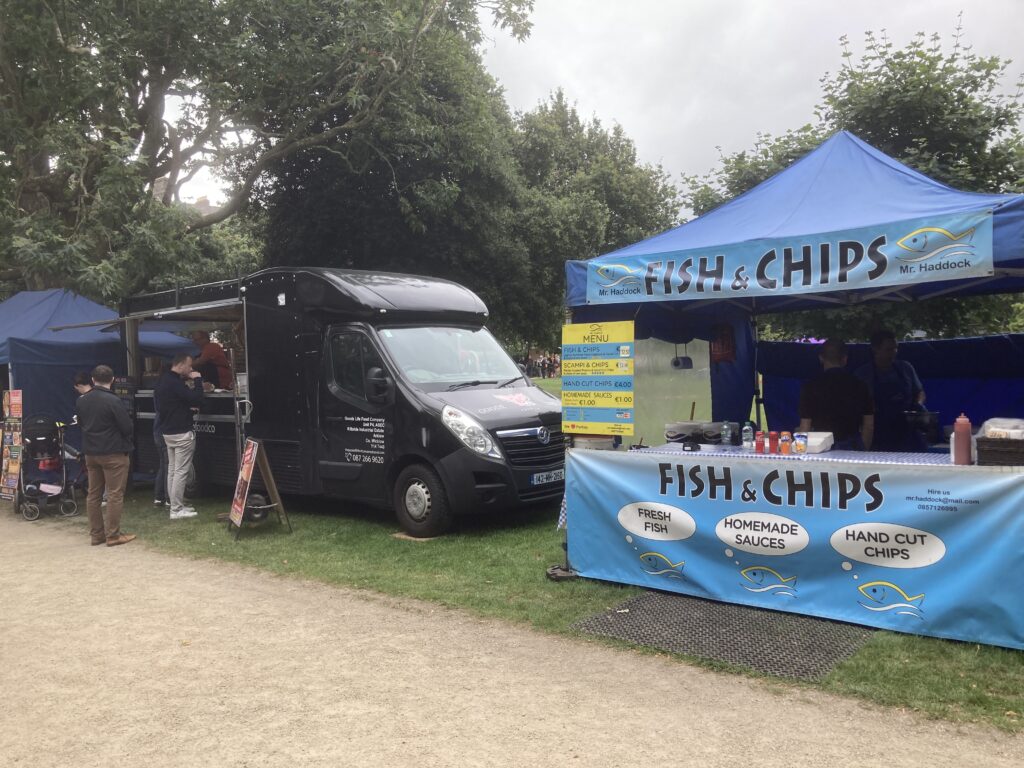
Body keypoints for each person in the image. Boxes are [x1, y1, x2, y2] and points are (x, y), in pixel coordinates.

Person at [75, 365, 135, 547]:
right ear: (113, 379)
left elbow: (82, 424)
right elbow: (127, 427)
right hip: (113, 452)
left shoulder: (82, 400)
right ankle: (113, 535)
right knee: (115, 494)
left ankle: (96, 535)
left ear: (93, 380)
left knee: (93, 495)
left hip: (91, 453)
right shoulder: (113, 401)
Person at [855, 329, 926, 452]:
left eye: (895, 348)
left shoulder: (906, 368)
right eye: (888, 349)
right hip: (879, 435)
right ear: (875, 349)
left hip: (907, 434)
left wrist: (918, 405)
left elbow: (920, 392)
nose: (893, 353)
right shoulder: (863, 374)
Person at [798, 338, 874, 451]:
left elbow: (805, 425)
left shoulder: (811, 386)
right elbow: (868, 425)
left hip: (821, 448)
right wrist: (863, 451)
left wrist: (801, 452)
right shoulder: (860, 385)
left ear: (821, 358)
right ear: (845, 359)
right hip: (852, 447)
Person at [155, 353, 204, 519]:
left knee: (172, 470)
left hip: (167, 430)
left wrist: (183, 409)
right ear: (181, 365)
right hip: (181, 431)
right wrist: (198, 380)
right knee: (181, 471)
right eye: (189, 366)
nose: (191, 369)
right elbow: (196, 398)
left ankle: (174, 504)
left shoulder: (164, 380)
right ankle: (176, 509)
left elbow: (171, 403)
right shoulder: (175, 382)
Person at [152, 362, 170, 507]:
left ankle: (159, 497)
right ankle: (168, 497)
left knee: (163, 465)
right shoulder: (167, 387)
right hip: (164, 430)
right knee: (168, 465)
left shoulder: (158, 386)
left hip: (157, 428)